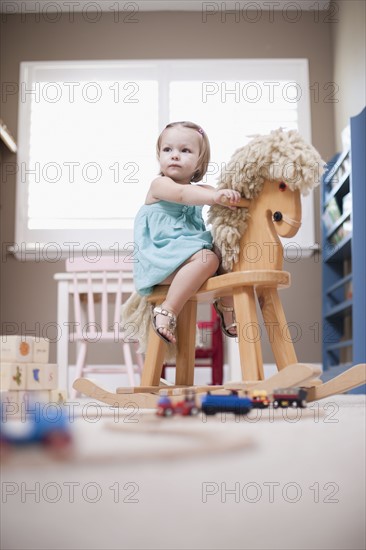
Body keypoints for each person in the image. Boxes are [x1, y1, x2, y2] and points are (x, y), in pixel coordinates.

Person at [133, 121, 240, 344]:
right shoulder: (159, 185)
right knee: (208, 257)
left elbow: (215, 194)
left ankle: (226, 303)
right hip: (160, 261)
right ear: (159, 155)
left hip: (185, 259)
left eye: (185, 150)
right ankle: (167, 309)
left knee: (227, 252)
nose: (174, 156)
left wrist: (229, 197)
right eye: (167, 149)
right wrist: (214, 198)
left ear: (199, 163)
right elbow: (182, 194)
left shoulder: (202, 191)